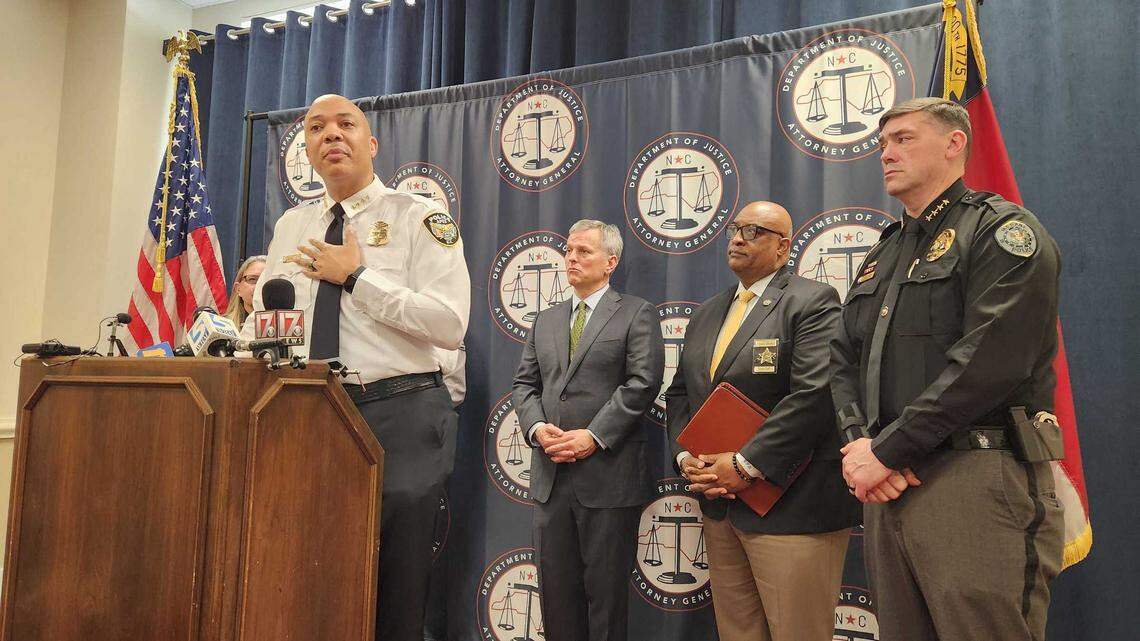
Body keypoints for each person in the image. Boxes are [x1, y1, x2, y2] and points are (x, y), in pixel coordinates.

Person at [830, 97, 1063, 641]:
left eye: (903, 139)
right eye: (882, 143)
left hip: (972, 476)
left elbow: (991, 362)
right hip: (887, 486)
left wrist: (886, 452)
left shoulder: (1001, 232)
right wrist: (859, 444)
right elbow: (842, 359)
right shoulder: (884, 252)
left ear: (954, 143)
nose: (886, 154)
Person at [242, 94, 470, 641]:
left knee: (396, 581)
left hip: (401, 410)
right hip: (306, 412)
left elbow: (448, 324)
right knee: (308, 571)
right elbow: (269, 321)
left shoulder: (419, 217)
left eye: (346, 124)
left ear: (372, 144)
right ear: (307, 151)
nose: (331, 134)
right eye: (316, 127)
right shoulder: (291, 225)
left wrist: (356, 278)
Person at [665, 201, 860, 641]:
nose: (737, 238)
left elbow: (814, 395)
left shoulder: (812, 301)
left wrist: (744, 465)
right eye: (735, 229)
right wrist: (686, 458)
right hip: (721, 506)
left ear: (783, 247)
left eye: (753, 231)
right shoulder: (708, 312)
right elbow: (679, 394)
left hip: (793, 506)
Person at [512, 219, 664, 641]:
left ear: (610, 262)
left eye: (584, 251)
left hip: (608, 481)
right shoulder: (546, 319)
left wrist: (592, 436)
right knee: (557, 602)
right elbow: (525, 385)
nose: (571, 259)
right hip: (551, 478)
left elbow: (643, 383)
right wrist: (537, 427)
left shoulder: (636, 312)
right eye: (569, 250)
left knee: (606, 604)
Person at [223, 254, 266, 327]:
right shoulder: (222, 326)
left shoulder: (284, 328)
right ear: (238, 289)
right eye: (252, 279)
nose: (259, 285)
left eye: (266, 279)